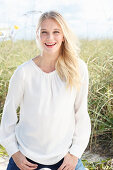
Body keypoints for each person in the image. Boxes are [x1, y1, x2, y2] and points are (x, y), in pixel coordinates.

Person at [0, 10, 91, 170]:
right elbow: (8, 117)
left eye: (56, 32)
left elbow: (81, 114)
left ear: (63, 36)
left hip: (65, 158)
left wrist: (74, 154)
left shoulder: (78, 69)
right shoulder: (23, 73)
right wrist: (15, 153)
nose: (50, 38)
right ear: (37, 35)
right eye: (44, 32)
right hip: (25, 159)